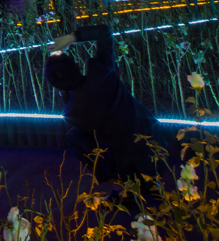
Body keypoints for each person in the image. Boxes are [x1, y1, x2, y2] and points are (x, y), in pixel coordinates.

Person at [45, 24, 175, 185]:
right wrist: (72, 38)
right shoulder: (101, 71)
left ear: (58, 88)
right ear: (78, 66)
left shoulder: (71, 114)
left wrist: (64, 91)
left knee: (74, 137)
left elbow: (74, 105)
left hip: (129, 169)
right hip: (158, 148)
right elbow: (104, 32)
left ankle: (114, 183)